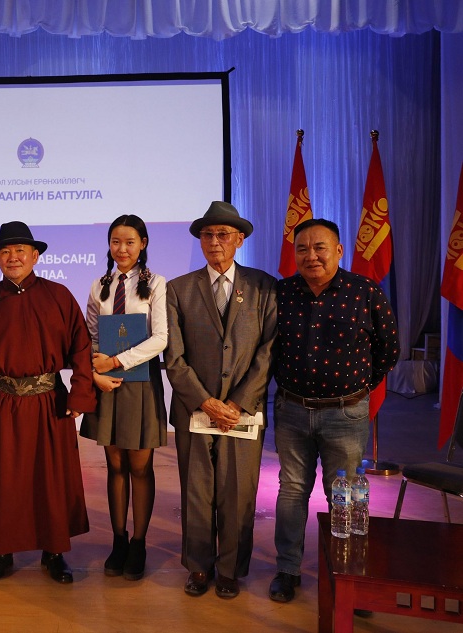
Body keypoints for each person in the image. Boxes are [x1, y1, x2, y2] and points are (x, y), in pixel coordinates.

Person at [0, 221, 97, 584]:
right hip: (2, 403)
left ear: (35, 256)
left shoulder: (58, 296)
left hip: (49, 402)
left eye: (20, 250)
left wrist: (80, 393)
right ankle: (1, 551)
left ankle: (54, 552)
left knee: (50, 480)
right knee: (3, 481)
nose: (13, 257)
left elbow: (81, 347)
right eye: (5, 252)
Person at [269, 218, 399, 603]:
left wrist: (357, 388)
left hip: (345, 415)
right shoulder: (282, 293)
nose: (311, 256)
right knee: (292, 491)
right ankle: (287, 569)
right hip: (292, 410)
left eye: (320, 247)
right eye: (302, 249)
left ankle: (349, 577)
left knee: (344, 496)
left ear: (339, 251)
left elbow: (389, 348)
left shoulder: (365, 292)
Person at [165, 201, 277, 599]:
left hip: (243, 412)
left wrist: (239, 403)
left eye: (223, 234)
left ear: (239, 239)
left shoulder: (264, 286)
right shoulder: (178, 289)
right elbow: (174, 357)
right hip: (195, 410)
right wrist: (206, 401)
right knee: (197, 492)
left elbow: (269, 351)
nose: (215, 241)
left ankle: (230, 570)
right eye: (208, 235)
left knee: (238, 493)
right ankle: (199, 566)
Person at [79, 214, 168, 581]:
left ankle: (139, 543)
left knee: (140, 467)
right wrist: (96, 370)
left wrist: (117, 361)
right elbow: (89, 335)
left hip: (140, 383)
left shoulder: (156, 284)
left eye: (130, 242)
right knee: (115, 466)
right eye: (115, 241)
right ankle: (118, 541)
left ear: (143, 244)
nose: (122, 249)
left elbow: (161, 337)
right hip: (107, 385)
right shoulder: (100, 285)